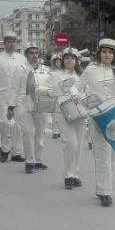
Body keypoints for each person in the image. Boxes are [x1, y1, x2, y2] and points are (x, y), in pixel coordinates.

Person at [75, 39, 115, 207]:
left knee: (114, 155)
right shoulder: (91, 70)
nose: (107, 55)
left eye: (111, 52)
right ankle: (106, 192)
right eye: (105, 51)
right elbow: (76, 87)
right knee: (102, 156)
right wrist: (78, 97)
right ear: (99, 53)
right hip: (98, 116)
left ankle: (102, 187)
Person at [8, 44, 51, 174]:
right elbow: (14, 89)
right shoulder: (20, 69)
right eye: (31, 53)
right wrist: (11, 106)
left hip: (40, 103)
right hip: (23, 102)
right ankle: (29, 161)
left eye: (36, 53)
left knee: (39, 133)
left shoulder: (45, 69)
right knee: (28, 132)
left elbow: (50, 85)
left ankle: (37, 160)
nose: (34, 55)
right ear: (26, 55)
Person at [0, 31, 26, 162]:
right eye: (9, 41)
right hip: (2, 97)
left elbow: (24, 79)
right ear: (4, 43)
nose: (11, 44)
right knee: (6, 124)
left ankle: (16, 152)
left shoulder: (22, 58)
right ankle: (5, 149)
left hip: (19, 97)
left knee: (18, 126)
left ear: (16, 43)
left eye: (14, 41)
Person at [48, 47, 86, 189]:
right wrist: (52, 92)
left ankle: (75, 174)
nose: (69, 60)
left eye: (72, 58)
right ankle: (68, 175)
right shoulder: (56, 75)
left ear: (76, 61)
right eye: (67, 58)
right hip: (63, 112)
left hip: (80, 113)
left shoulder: (82, 76)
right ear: (63, 60)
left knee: (79, 146)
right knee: (71, 144)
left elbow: (87, 92)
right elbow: (51, 89)